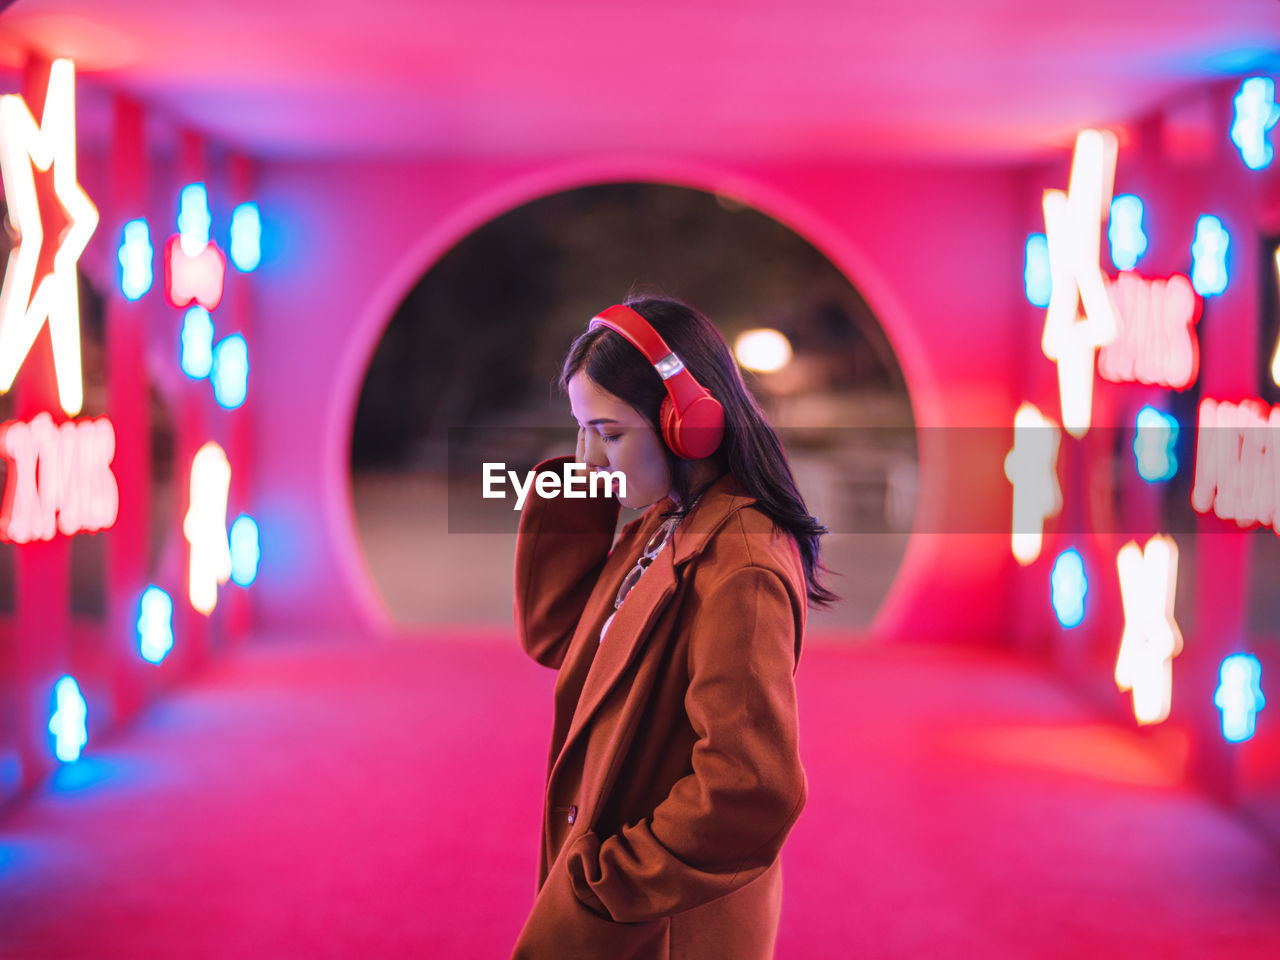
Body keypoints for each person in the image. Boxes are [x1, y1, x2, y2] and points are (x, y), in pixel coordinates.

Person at [510, 296, 839, 960]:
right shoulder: (668, 522)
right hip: (633, 911)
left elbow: (748, 789)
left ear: (689, 425)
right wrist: (580, 485)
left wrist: (607, 885)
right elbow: (557, 636)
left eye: (607, 433)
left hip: (665, 925)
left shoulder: (738, 564)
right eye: (581, 430)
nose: (589, 461)